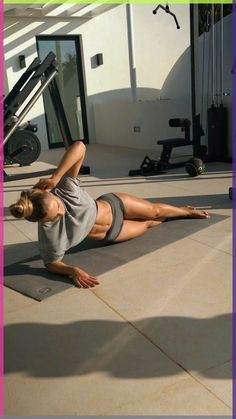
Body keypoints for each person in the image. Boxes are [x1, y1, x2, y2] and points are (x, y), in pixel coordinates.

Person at [10, 141, 209, 289]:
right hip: (113, 233)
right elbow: (51, 264)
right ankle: (175, 214)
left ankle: (185, 210)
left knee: (155, 210)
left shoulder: (64, 189)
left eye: (58, 205)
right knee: (148, 223)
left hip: (115, 205)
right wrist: (73, 271)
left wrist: (56, 177)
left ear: (49, 193)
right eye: (56, 215)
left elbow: (79, 146)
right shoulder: (49, 237)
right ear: (43, 221)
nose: (63, 210)